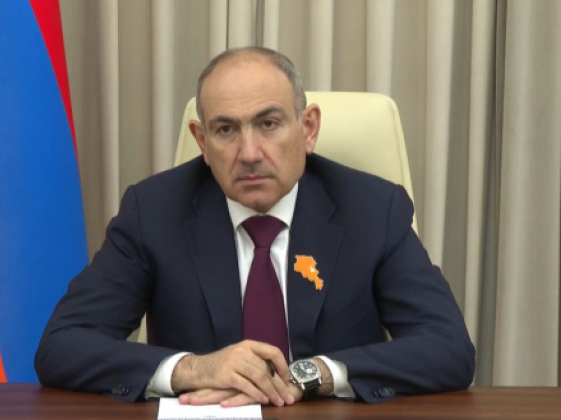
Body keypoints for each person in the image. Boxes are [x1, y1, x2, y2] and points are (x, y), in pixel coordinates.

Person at [35, 46, 475, 406]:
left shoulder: (371, 209)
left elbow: (449, 348)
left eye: (268, 124)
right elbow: (62, 345)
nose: (249, 153)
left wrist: (313, 374)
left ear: (308, 128)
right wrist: (194, 368)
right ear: (202, 141)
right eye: (226, 130)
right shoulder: (153, 212)